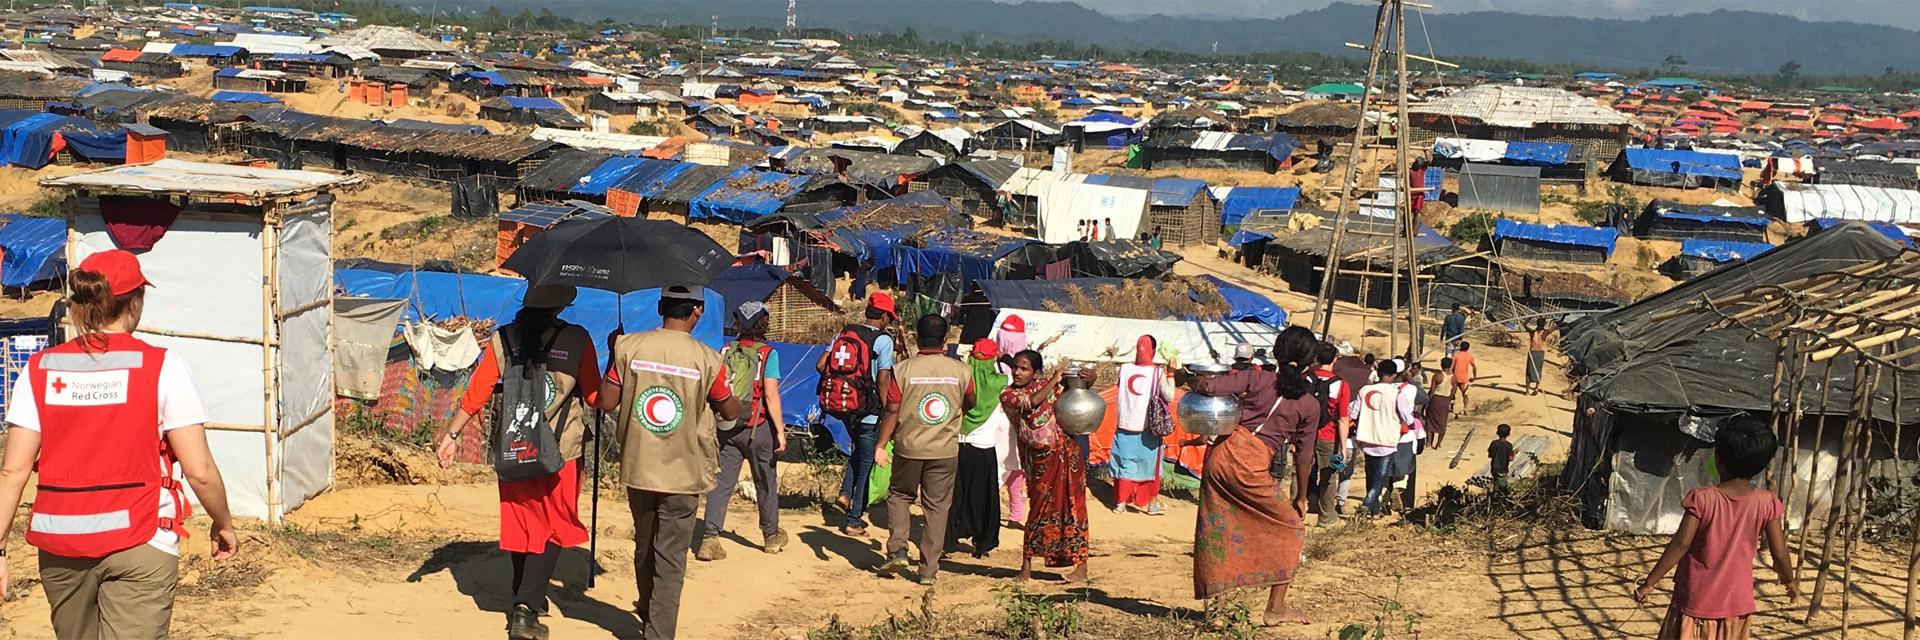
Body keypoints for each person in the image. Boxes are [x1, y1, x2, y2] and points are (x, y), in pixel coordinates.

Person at [0, 250, 238, 638]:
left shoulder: (40, 369)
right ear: (137, 302)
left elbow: (13, 470)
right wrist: (223, 522)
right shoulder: (163, 366)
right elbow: (200, 471)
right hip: (142, 538)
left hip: (61, 545)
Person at [436, 285, 600, 640]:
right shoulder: (577, 339)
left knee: (523, 522)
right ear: (561, 305)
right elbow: (594, 396)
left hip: (514, 447)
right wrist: (615, 359)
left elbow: (477, 392)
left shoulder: (504, 339)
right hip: (562, 452)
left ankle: (523, 593)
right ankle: (525, 609)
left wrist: (451, 436)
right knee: (554, 524)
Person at [598, 285, 743, 640]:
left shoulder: (627, 346)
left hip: (638, 465)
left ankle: (648, 608)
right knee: (672, 557)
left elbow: (606, 402)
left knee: (644, 546)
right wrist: (736, 400)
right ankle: (658, 632)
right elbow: (728, 408)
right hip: (684, 471)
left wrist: (612, 354)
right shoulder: (708, 358)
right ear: (697, 311)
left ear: (661, 306)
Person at [1192, 326, 1317, 626]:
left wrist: (1192, 379)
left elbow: (1209, 388)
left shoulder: (1256, 378)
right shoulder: (1309, 404)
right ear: (1311, 362)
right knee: (1291, 528)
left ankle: (1217, 611)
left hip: (1221, 456)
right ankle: (1275, 608)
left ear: (1275, 352)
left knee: (1217, 526)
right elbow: (1304, 455)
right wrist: (1300, 496)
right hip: (1253, 465)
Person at [1634, 422, 1796, 640]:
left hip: (1695, 599)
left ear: (1718, 461)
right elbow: (1780, 552)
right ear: (1762, 465)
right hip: (1736, 604)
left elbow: (1680, 544)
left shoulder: (1702, 499)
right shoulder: (1767, 502)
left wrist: (1649, 583)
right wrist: (1789, 580)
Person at [875, 314, 975, 585]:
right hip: (944, 450)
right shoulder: (962, 371)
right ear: (946, 340)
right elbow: (971, 401)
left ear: (916, 338)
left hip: (909, 447)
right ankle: (928, 571)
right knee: (937, 508)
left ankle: (897, 549)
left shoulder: (903, 370)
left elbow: (892, 409)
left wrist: (881, 444)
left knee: (899, 495)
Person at [696, 303, 788, 562]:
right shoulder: (769, 354)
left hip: (727, 426)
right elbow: (770, 394)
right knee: (765, 480)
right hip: (758, 428)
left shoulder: (725, 350)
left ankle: (710, 538)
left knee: (722, 483)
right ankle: (771, 536)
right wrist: (780, 432)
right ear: (763, 324)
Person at [1002, 350, 1093, 583]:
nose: (1018, 372)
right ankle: (1026, 566)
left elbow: (1078, 397)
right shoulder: (1009, 394)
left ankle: (1081, 566)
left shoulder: (1051, 386)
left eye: (1024, 368)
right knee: (1037, 510)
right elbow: (1030, 403)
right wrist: (1054, 380)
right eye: (1016, 367)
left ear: (1036, 372)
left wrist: (1087, 379)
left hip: (1065, 455)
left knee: (1074, 508)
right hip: (1037, 462)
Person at [817, 292, 898, 537]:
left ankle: (844, 495)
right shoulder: (883, 340)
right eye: (889, 318)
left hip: (844, 407)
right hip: (869, 411)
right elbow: (883, 379)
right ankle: (854, 520)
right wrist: (887, 411)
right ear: (884, 317)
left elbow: (821, 365)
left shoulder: (844, 333)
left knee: (859, 453)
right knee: (866, 463)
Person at [949, 338, 1010, 557]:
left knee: (955, 494)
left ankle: (949, 538)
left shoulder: (961, 378)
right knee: (984, 498)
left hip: (958, 443)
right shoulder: (1001, 381)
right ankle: (982, 543)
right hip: (984, 447)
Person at [1112, 335, 1176, 515]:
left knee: (1125, 463)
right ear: (1153, 351)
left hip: (1124, 424)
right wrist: (1171, 373)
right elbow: (1169, 396)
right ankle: (1151, 504)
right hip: (1148, 428)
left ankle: (1121, 503)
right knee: (1150, 466)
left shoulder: (1123, 369)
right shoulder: (1157, 373)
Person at [1352, 359, 1415, 516]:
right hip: (1387, 440)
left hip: (1366, 438)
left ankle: (1375, 511)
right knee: (1380, 477)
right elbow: (1408, 419)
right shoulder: (1396, 394)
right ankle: (1367, 504)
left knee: (1371, 474)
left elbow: (1353, 413)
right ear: (1393, 375)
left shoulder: (1364, 390)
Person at [1309, 342, 1354, 525]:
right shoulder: (1341, 385)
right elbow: (1343, 419)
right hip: (1329, 435)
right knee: (1328, 475)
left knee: (1301, 472)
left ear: (1316, 358)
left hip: (1306, 433)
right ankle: (1326, 515)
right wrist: (1343, 447)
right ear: (1335, 359)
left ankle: (1298, 511)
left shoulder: (1307, 378)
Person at [995, 315, 1030, 527]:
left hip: (995, 426)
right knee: (1015, 472)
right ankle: (1016, 515)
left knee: (998, 473)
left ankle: (991, 513)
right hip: (1016, 426)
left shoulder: (990, 362)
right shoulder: (1027, 369)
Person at [1426, 357, 1455, 449]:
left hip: (1436, 399)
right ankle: (1438, 444)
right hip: (1445, 400)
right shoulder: (1454, 378)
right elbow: (1453, 392)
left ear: (1441, 365)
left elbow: (1432, 390)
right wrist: (1448, 400)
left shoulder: (1437, 376)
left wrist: (1428, 401)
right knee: (1442, 423)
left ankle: (1429, 443)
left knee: (1430, 421)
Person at [1525, 320, 1553, 396]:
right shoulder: (1545, 333)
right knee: (1538, 370)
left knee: (1529, 371)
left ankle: (1527, 391)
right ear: (1544, 325)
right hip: (1540, 354)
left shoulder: (1532, 332)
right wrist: (1563, 317)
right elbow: (1556, 327)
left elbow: (1525, 325)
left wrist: (1528, 319)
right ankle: (1536, 388)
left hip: (1533, 353)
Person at [1487, 424, 1514, 492]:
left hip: (1494, 468)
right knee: (1503, 487)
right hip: (1503, 469)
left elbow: (1490, 455)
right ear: (1508, 434)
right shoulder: (1509, 445)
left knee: (1495, 483)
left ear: (1497, 433)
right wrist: (1514, 453)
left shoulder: (1494, 443)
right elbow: (1510, 459)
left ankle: (1494, 496)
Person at [1452, 341, 1477, 411]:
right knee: (1465, 393)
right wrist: (1474, 377)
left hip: (1455, 377)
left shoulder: (1456, 355)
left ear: (1460, 347)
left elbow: (1452, 367)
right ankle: (1465, 408)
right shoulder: (1469, 356)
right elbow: (1474, 367)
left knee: (1452, 392)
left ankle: (1451, 407)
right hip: (1464, 378)